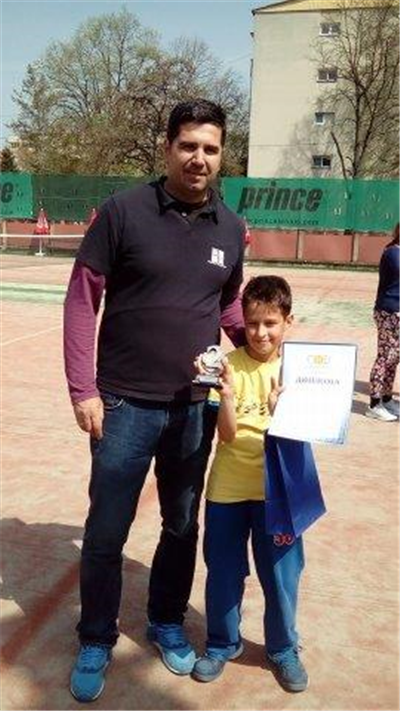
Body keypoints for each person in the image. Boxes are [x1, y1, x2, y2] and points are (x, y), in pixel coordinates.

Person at [63, 99, 246, 703]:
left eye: (211, 148)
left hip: (194, 406)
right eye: (188, 145)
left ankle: (166, 620)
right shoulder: (123, 212)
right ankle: (96, 636)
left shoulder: (231, 227)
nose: (199, 158)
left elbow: (227, 304)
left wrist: (266, 349)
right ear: (168, 147)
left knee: (180, 524)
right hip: (121, 405)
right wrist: (83, 388)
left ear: (222, 155)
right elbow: (82, 300)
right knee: (106, 530)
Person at [191, 275, 309, 693]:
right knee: (223, 572)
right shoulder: (227, 366)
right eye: (253, 323)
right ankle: (222, 643)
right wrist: (225, 396)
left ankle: (283, 648)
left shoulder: (304, 371)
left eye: (271, 323)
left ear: (288, 322)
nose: (261, 333)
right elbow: (225, 436)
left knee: (281, 576)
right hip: (227, 488)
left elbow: (310, 435)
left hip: (280, 493)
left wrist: (282, 413)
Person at [365, 223, 400, 421]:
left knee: (394, 358)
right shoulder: (393, 253)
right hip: (389, 311)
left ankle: (386, 399)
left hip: (396, 312)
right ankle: (374, 404)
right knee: (385, 357)